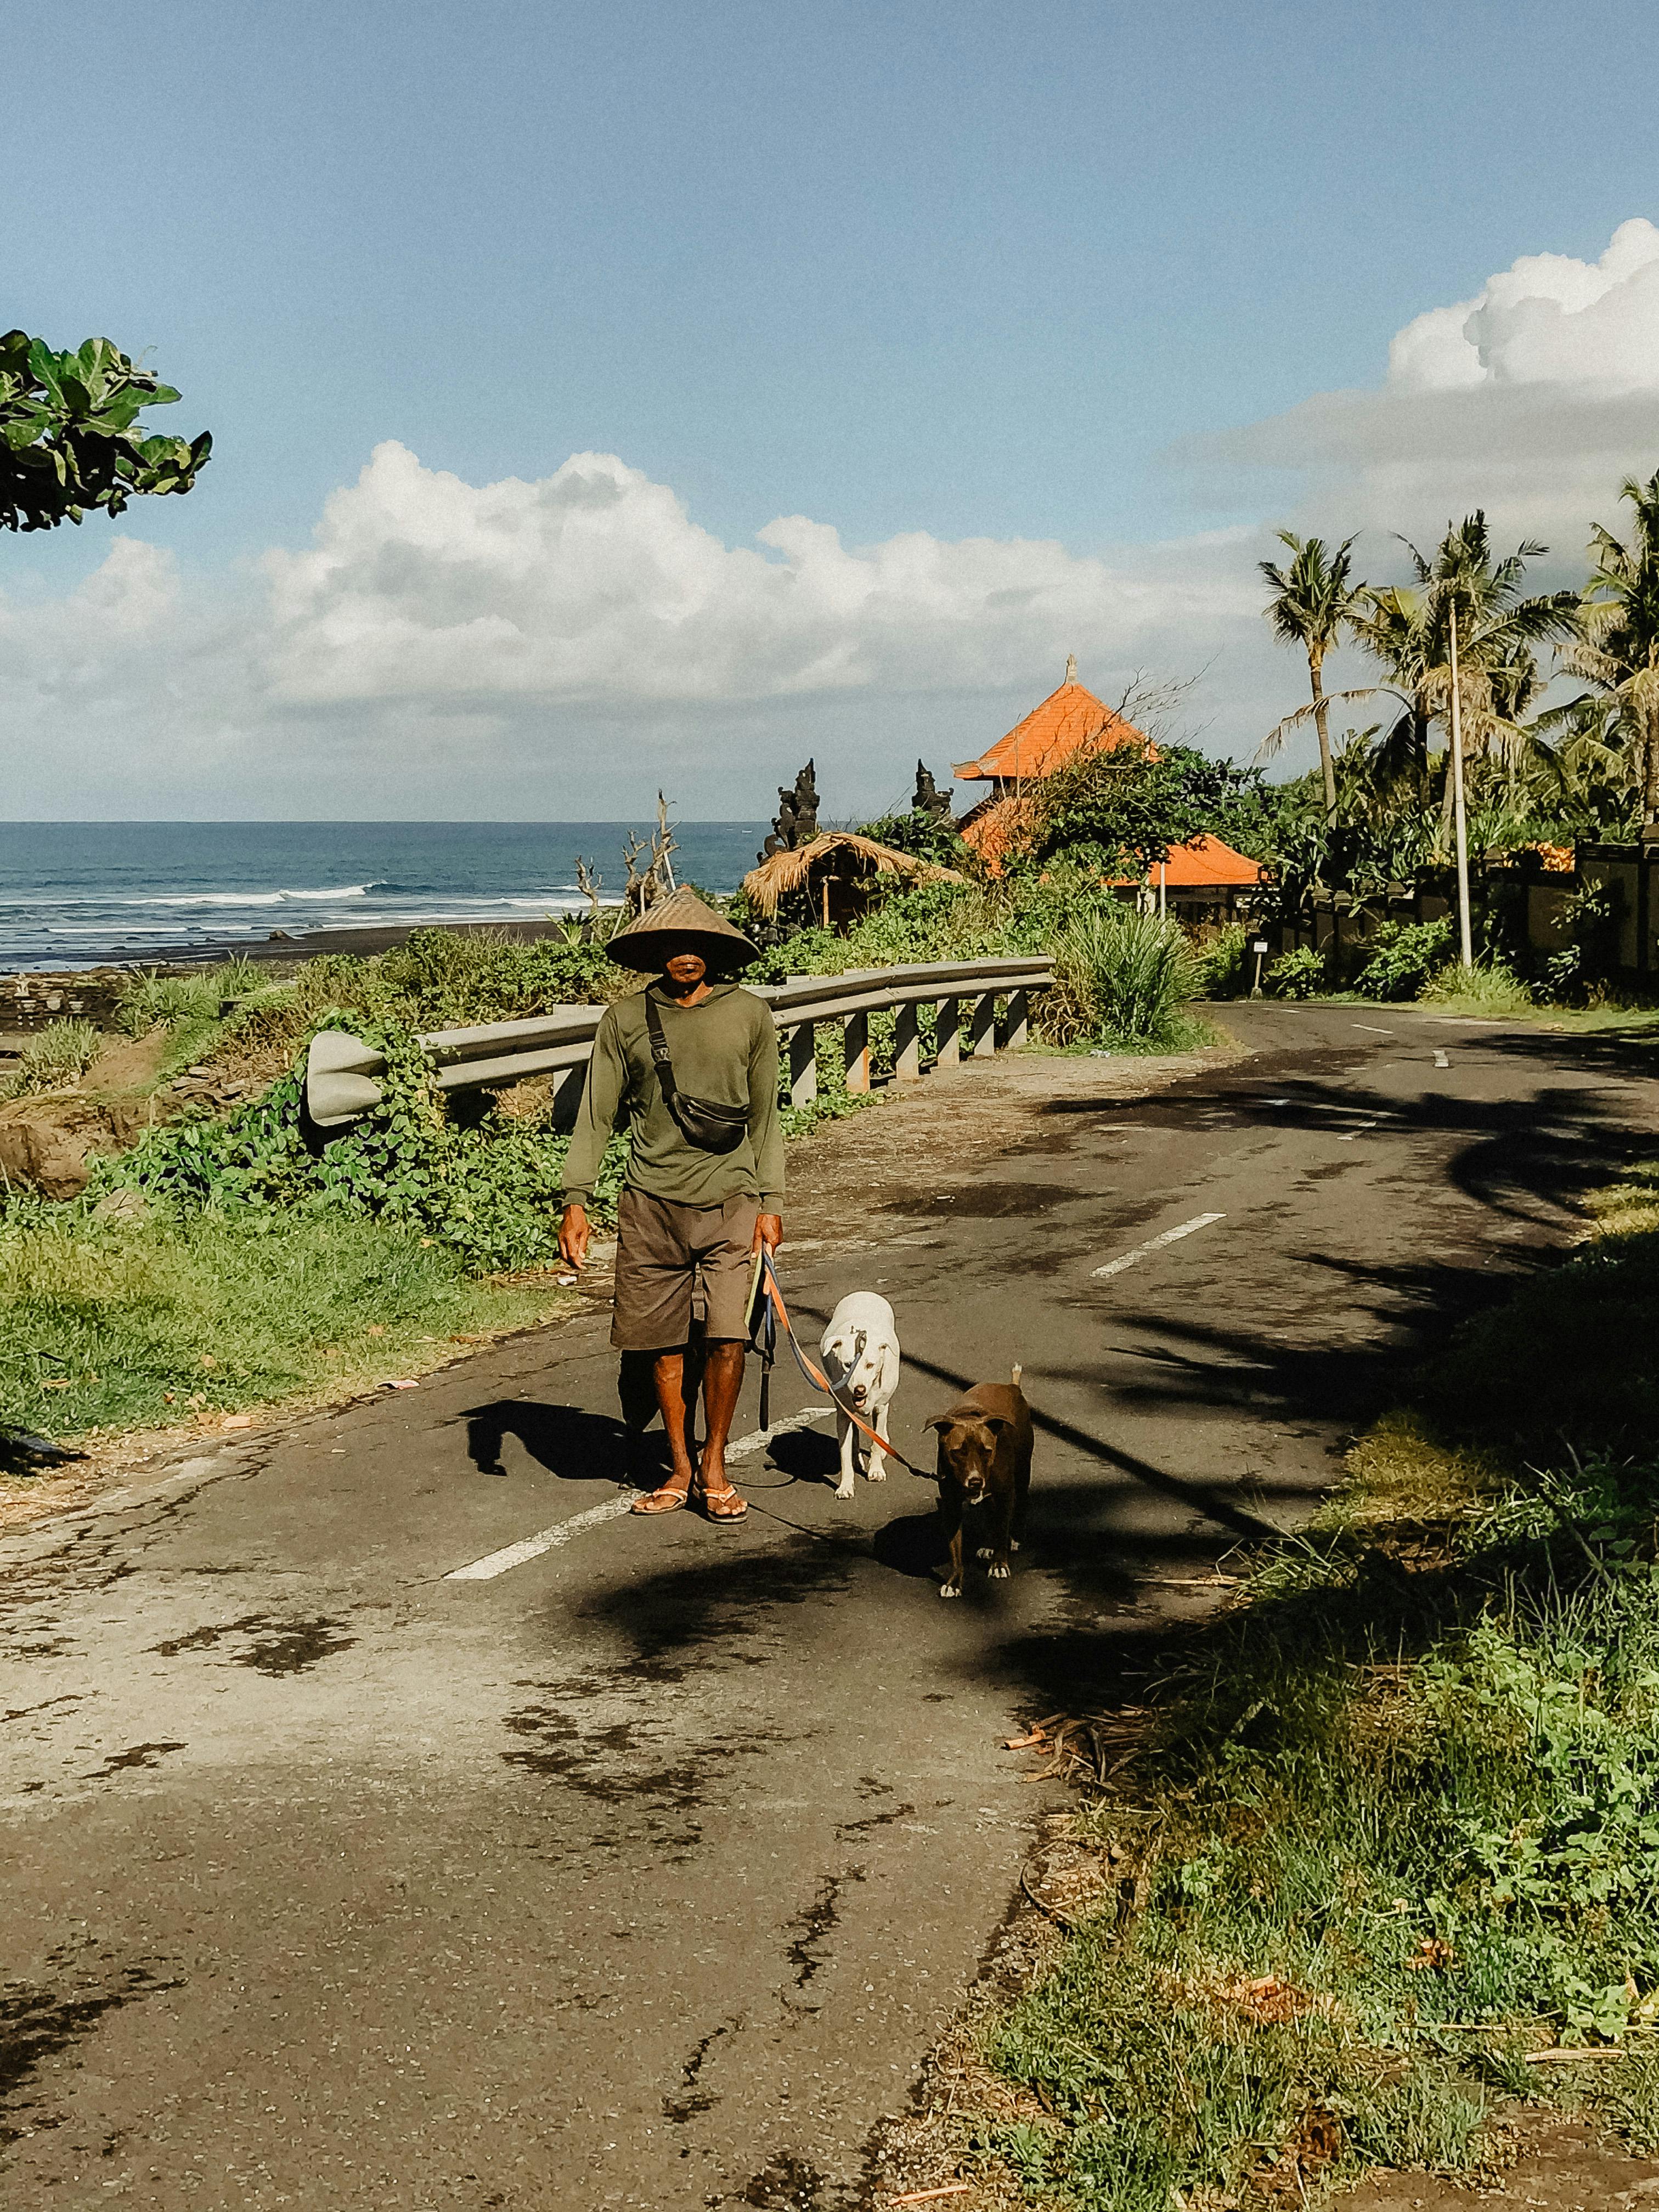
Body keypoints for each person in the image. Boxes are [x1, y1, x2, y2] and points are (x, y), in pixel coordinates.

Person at [556, 886, 783, 1521]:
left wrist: (771, 1202)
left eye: (698, 944)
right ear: (655, 951)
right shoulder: (624, 1020)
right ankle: (680, 1467)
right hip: (650, 1204)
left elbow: (766, 1118)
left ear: (716, 951)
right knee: (663, 1345)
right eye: (673, 944)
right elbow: (596, 1114)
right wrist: (576, 1199)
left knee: (729, 1338)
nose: (686, 955)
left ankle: (716, 1463)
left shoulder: (750, 1015)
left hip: (732, 1200)